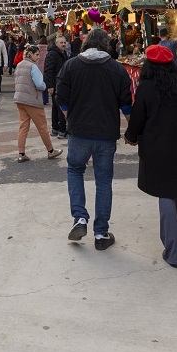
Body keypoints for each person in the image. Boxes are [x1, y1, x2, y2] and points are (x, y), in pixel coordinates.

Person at [123, 45, 177, 268]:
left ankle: (174, 250)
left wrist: (131, 137)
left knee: (165, 195)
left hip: (157, 150)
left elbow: (137, 120)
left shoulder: (146, 88)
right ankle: (175, 236)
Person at [57, 27, 132, 251]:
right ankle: (101, 233)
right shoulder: (116, 69)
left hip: (79, 132)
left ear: (86, 43)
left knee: (74, 170)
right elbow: (126, 104)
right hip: (106, 134)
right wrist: (133, 131)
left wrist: (71, 117)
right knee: (103, 181)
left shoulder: (70, 66)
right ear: (106, 44)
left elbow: (61, 98)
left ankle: (79, 218)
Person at [15, 43, 62, 163]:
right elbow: (40, 84)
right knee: (42, 127)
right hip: (32, 100)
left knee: (23, 127)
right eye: (36, 54)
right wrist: (45, 86)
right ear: (30, 54)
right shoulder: (33, 67)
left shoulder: (19, 65)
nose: (39, 57)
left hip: (20, 99)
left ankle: (21, 153)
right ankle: (51, 150)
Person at [44, 35, 72, 140]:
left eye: (65, 43)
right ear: (56, 44)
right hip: (56, 84)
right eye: (61, 43)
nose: (64, 44)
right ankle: (61, 130)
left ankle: (56, 129)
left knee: (56, 106)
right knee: (60, 107)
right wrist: (50, 85)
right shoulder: (52, 54)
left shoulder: (63, 53)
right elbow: (48, 70)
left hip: (61, 83)